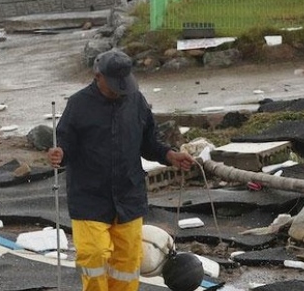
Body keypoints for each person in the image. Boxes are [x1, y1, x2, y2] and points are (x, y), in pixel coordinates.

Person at [47, 48, 194, 291]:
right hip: (89, 198)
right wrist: (59, 154)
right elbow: (65, 145)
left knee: (128, 261)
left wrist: (170, 155)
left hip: (129, 196)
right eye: (115, 84)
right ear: (98, 76)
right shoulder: (78, 105)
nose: (120, 90)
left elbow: (149, 143)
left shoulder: (136, 101)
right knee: (94, 254)